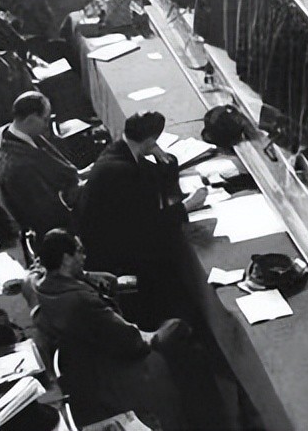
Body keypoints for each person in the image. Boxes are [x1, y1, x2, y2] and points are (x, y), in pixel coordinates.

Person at [31, 229, 188, 429]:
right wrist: (158, 334)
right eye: (79, 251)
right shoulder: (82, 302)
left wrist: (84, 275)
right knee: (177, 328)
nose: (84, 257)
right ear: (66, 259)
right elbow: (132, 342)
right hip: (110, 373)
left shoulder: (40, 286)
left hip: (82, 362)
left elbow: (105, 283)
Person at [75, 111, 208, 325]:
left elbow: (159, 176)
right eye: (154, 141)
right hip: (110, 251)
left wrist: (157, 152)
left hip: (110, 234)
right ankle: (175, 319)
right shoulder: (123, 171)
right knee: (172, 254)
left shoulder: (119, 150)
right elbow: (149, 224)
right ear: (147, 140)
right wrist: (188, 205)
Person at [0, 91, 80, 238]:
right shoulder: (18, 167)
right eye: (45, 119)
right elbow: (48, 214)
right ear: (30, 119)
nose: (47, 125)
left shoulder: (18, 133)